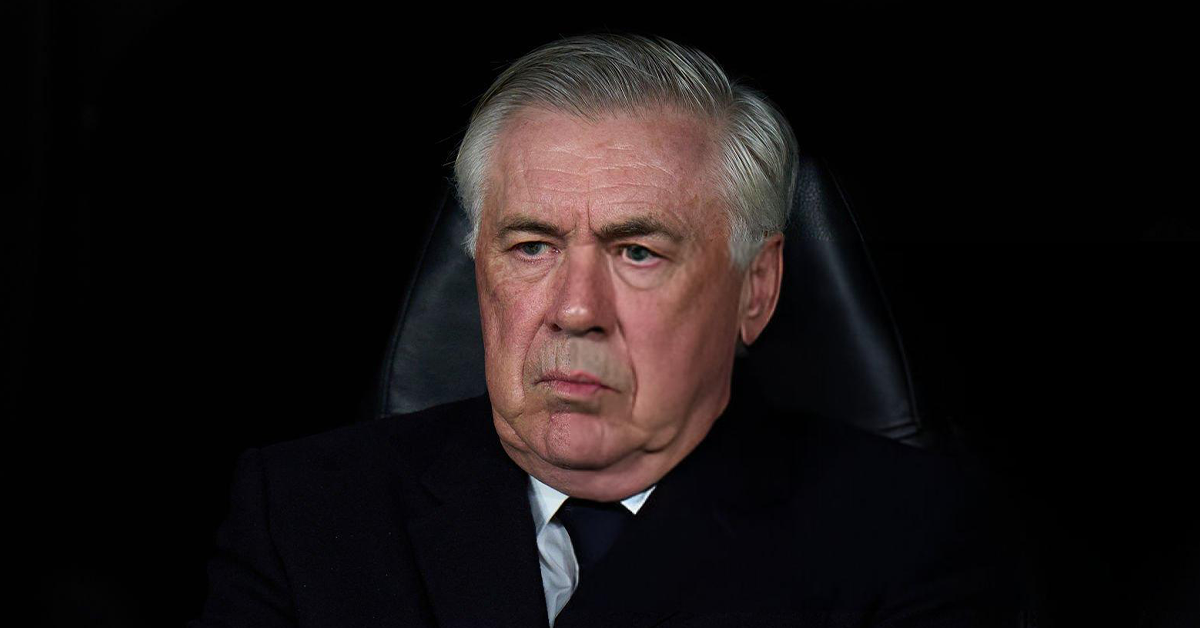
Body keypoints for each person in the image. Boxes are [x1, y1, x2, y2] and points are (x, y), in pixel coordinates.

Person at [191, 34, 1019, 627]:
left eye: (637, 251)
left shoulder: (909, 534)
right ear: (479, 267)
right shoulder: (303, 511)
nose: (576, 308)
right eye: (531, 246)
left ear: (755, 290)